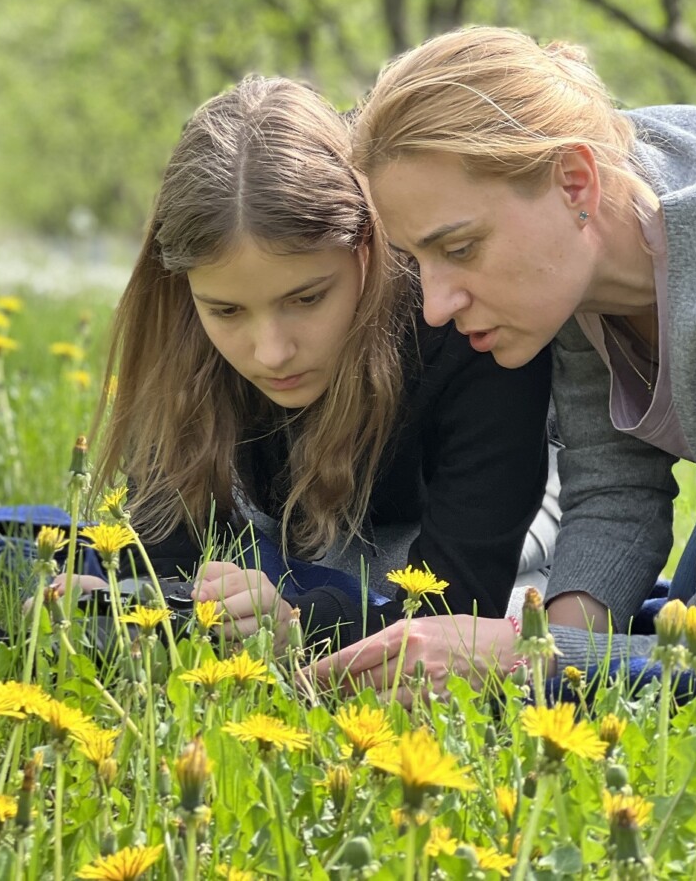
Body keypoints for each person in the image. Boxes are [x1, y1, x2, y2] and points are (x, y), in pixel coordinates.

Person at [319, 24, 696, 696]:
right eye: (418, 260)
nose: (436, 307)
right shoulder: (599, 210)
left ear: (574, 181)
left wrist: (520, 659)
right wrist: (545, 681)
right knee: (653, 657)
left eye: (460, 248)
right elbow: (614, 487)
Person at [60, 74, 558, 650]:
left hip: (504, 537)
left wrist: (300, 625)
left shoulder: (463, 326)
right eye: (226, 310)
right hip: (299, 543)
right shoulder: (183, 340)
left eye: (307, 299)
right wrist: (113, 605)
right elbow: (165, 565)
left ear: (369, 246)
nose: (271, 352)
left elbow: (459, 608)